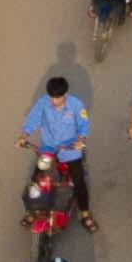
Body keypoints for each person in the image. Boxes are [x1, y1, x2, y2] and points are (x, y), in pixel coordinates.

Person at [24, 74, 100, 230]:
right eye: (51, 97)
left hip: (70, 148)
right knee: (37, 177)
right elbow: (33, 119)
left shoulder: (76, 105)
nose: (53, 101)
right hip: (49, 147)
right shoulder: (43, 103)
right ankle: (32, 212)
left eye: (57, 98)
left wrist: (80, 140)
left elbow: (83, 125)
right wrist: (24, 135)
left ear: (65, 94)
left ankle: (85, 213)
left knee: (78, 180)